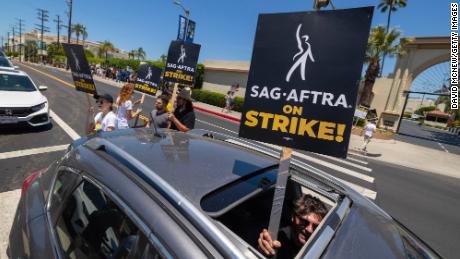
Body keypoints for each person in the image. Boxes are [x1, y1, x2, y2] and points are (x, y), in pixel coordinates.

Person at [257, 194, 328, 258]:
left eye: (315, 226)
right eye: (304, 221)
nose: (309, 230)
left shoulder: (321, 244)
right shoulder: (279, 238)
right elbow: (268, 246)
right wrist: (263, 251)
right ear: (293, 217)